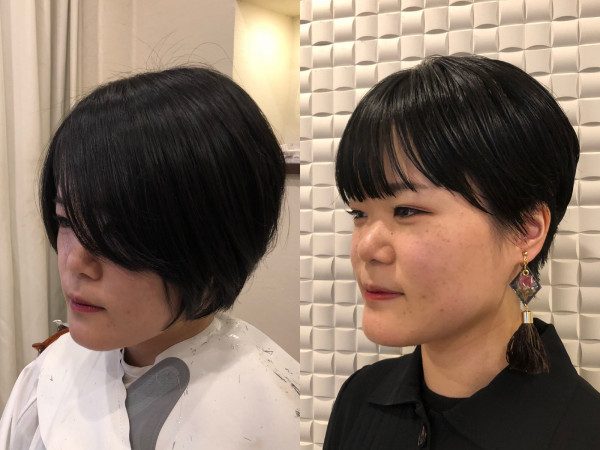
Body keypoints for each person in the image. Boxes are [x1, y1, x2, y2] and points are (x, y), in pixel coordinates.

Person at [0, 67, 299, 449]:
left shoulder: (280, 414)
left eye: (115, 233)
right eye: (66, 221)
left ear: (214, 240)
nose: (74, 262)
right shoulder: (49, 376)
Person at [323, 55, 600, 449]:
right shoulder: (360, 399)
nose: (366, 248)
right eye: (359, 214)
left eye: (407, 211)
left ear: (526, 230)